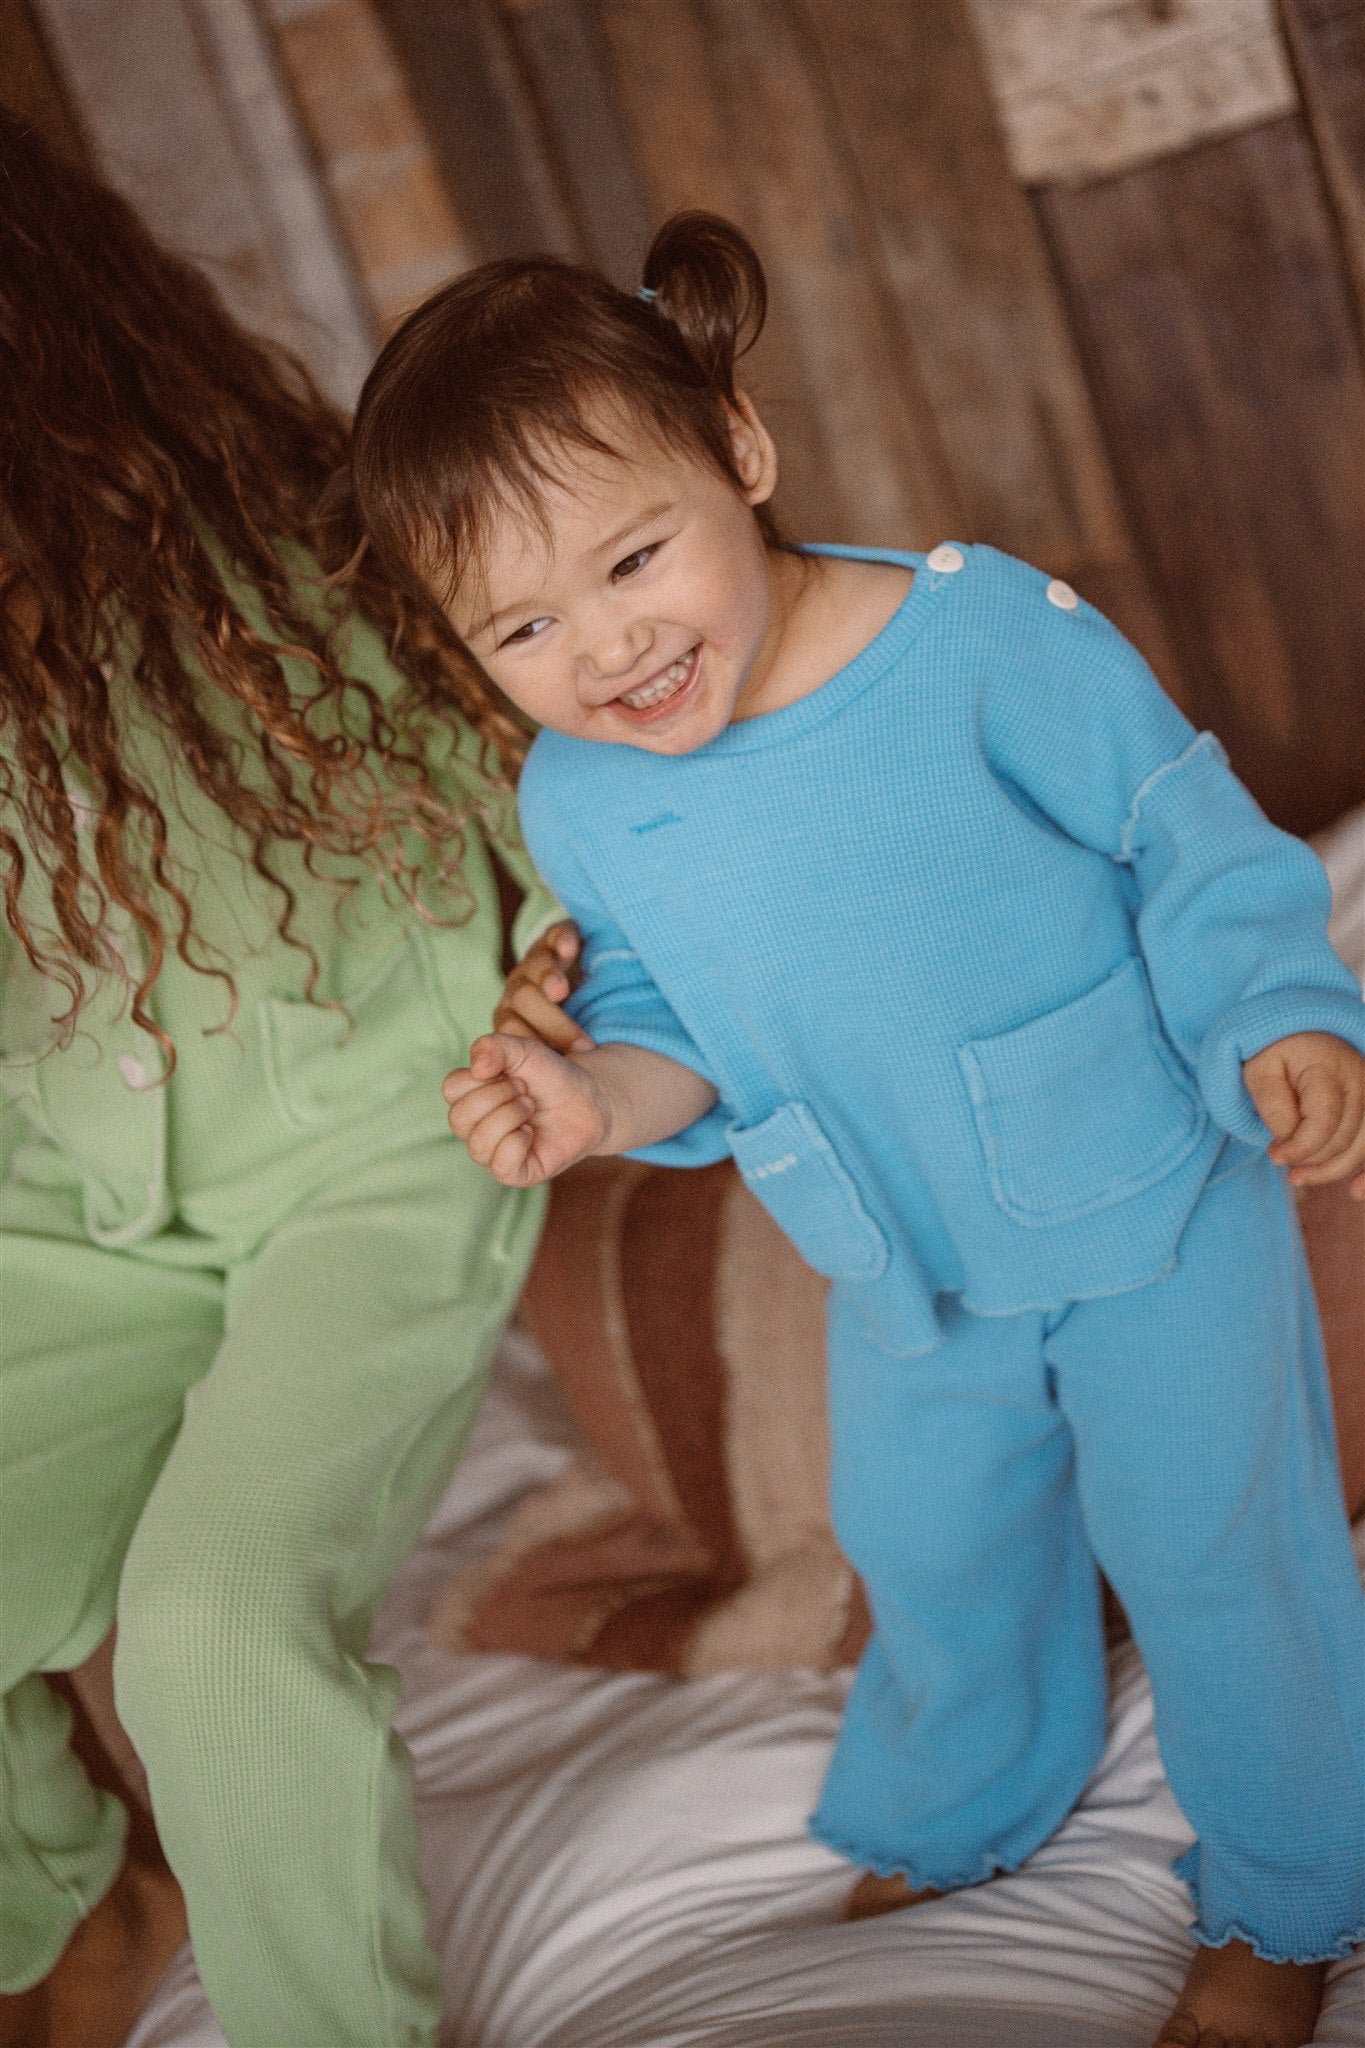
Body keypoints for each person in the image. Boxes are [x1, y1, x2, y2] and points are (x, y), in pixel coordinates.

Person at [350, 212, 1365, 2048]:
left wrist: (1280, 1011)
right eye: (522, 625)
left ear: (739, 453)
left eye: (635, 556)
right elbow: (671, 1027)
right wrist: (592, 1099)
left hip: (1146, 1194)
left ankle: (1293, 1900)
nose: (606, 647)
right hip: (897, 1256)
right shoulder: (579, 805)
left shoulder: (976, 639)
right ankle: (967, 1796)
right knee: (929, 1542)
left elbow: (1179, 832)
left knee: (1220, 1547)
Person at [0, 112, 570, 2048]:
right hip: (64, 1199)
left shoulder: (293, 543)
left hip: (371, 1155)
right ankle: (70, 1898)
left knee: (215, 1626)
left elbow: (568, 784)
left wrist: (577, 974)